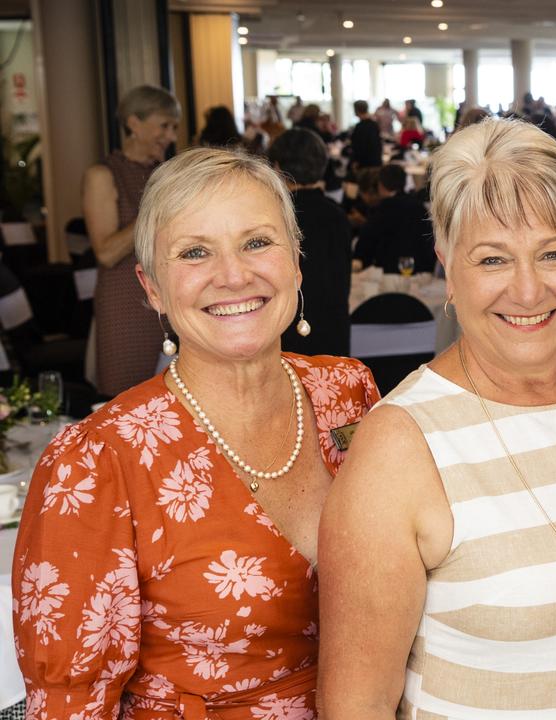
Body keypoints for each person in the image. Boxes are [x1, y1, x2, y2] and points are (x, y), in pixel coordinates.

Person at [14, 147, 380, 718]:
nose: (233, 275)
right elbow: (71, 702)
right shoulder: (95, 461)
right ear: (153, 288)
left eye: (257, 242)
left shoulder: (348, 393)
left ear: (297, 262)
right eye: (194, 253)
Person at [319, 117, 556, 717]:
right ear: (448, 269)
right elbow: (356, 707)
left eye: (553, 253)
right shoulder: (400, 443)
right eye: (493, 260)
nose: (528, 291)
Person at [83, 85, 180, 396]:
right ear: (134, 124)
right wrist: (155, 208)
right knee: (126, 399)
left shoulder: (165, 174)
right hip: (125, 302)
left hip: (169, 299)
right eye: (164, 125)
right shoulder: (103, 175)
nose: (171, 135)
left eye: (173, 127)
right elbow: (106, 252)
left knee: (174, 400)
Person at [269, 128, 353, 357]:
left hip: (287, 334)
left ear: (277, 168)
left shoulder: (275, 218)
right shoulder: (337, 216)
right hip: (333, 331)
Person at [352, 164, 435, 275]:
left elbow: (363, 249)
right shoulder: (419, 207)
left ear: (380, 185)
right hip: (422, 271)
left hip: (389, 274)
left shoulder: (381, 210)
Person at [349, 99, 383, 171]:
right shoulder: (374, 124)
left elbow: (359, 146)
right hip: (375, 161)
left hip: (365, 164)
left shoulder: (360, 127)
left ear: (357, 110)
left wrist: (356, 161)